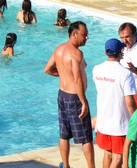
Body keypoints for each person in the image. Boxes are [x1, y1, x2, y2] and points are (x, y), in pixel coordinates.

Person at [44, 21, 95, 168]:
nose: (87, 38)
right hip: (75, 98)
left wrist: (64, 75)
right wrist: (84, 102)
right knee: (86, 138)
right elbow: (78, 81)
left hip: (62, 95)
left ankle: (65, 165)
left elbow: (47, 69)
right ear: (74, 34)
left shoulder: (59, 49)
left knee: (64, 134)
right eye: (84, 35)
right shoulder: (76, 54)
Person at [92, 38, 137, 168]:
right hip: (120, 124)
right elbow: (129, 102)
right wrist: (136, 120)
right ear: (121, 51)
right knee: (118, 158)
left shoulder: (97, 70)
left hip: (103, 122)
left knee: (107, 154)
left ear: (106, 52)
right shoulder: (126, 74)